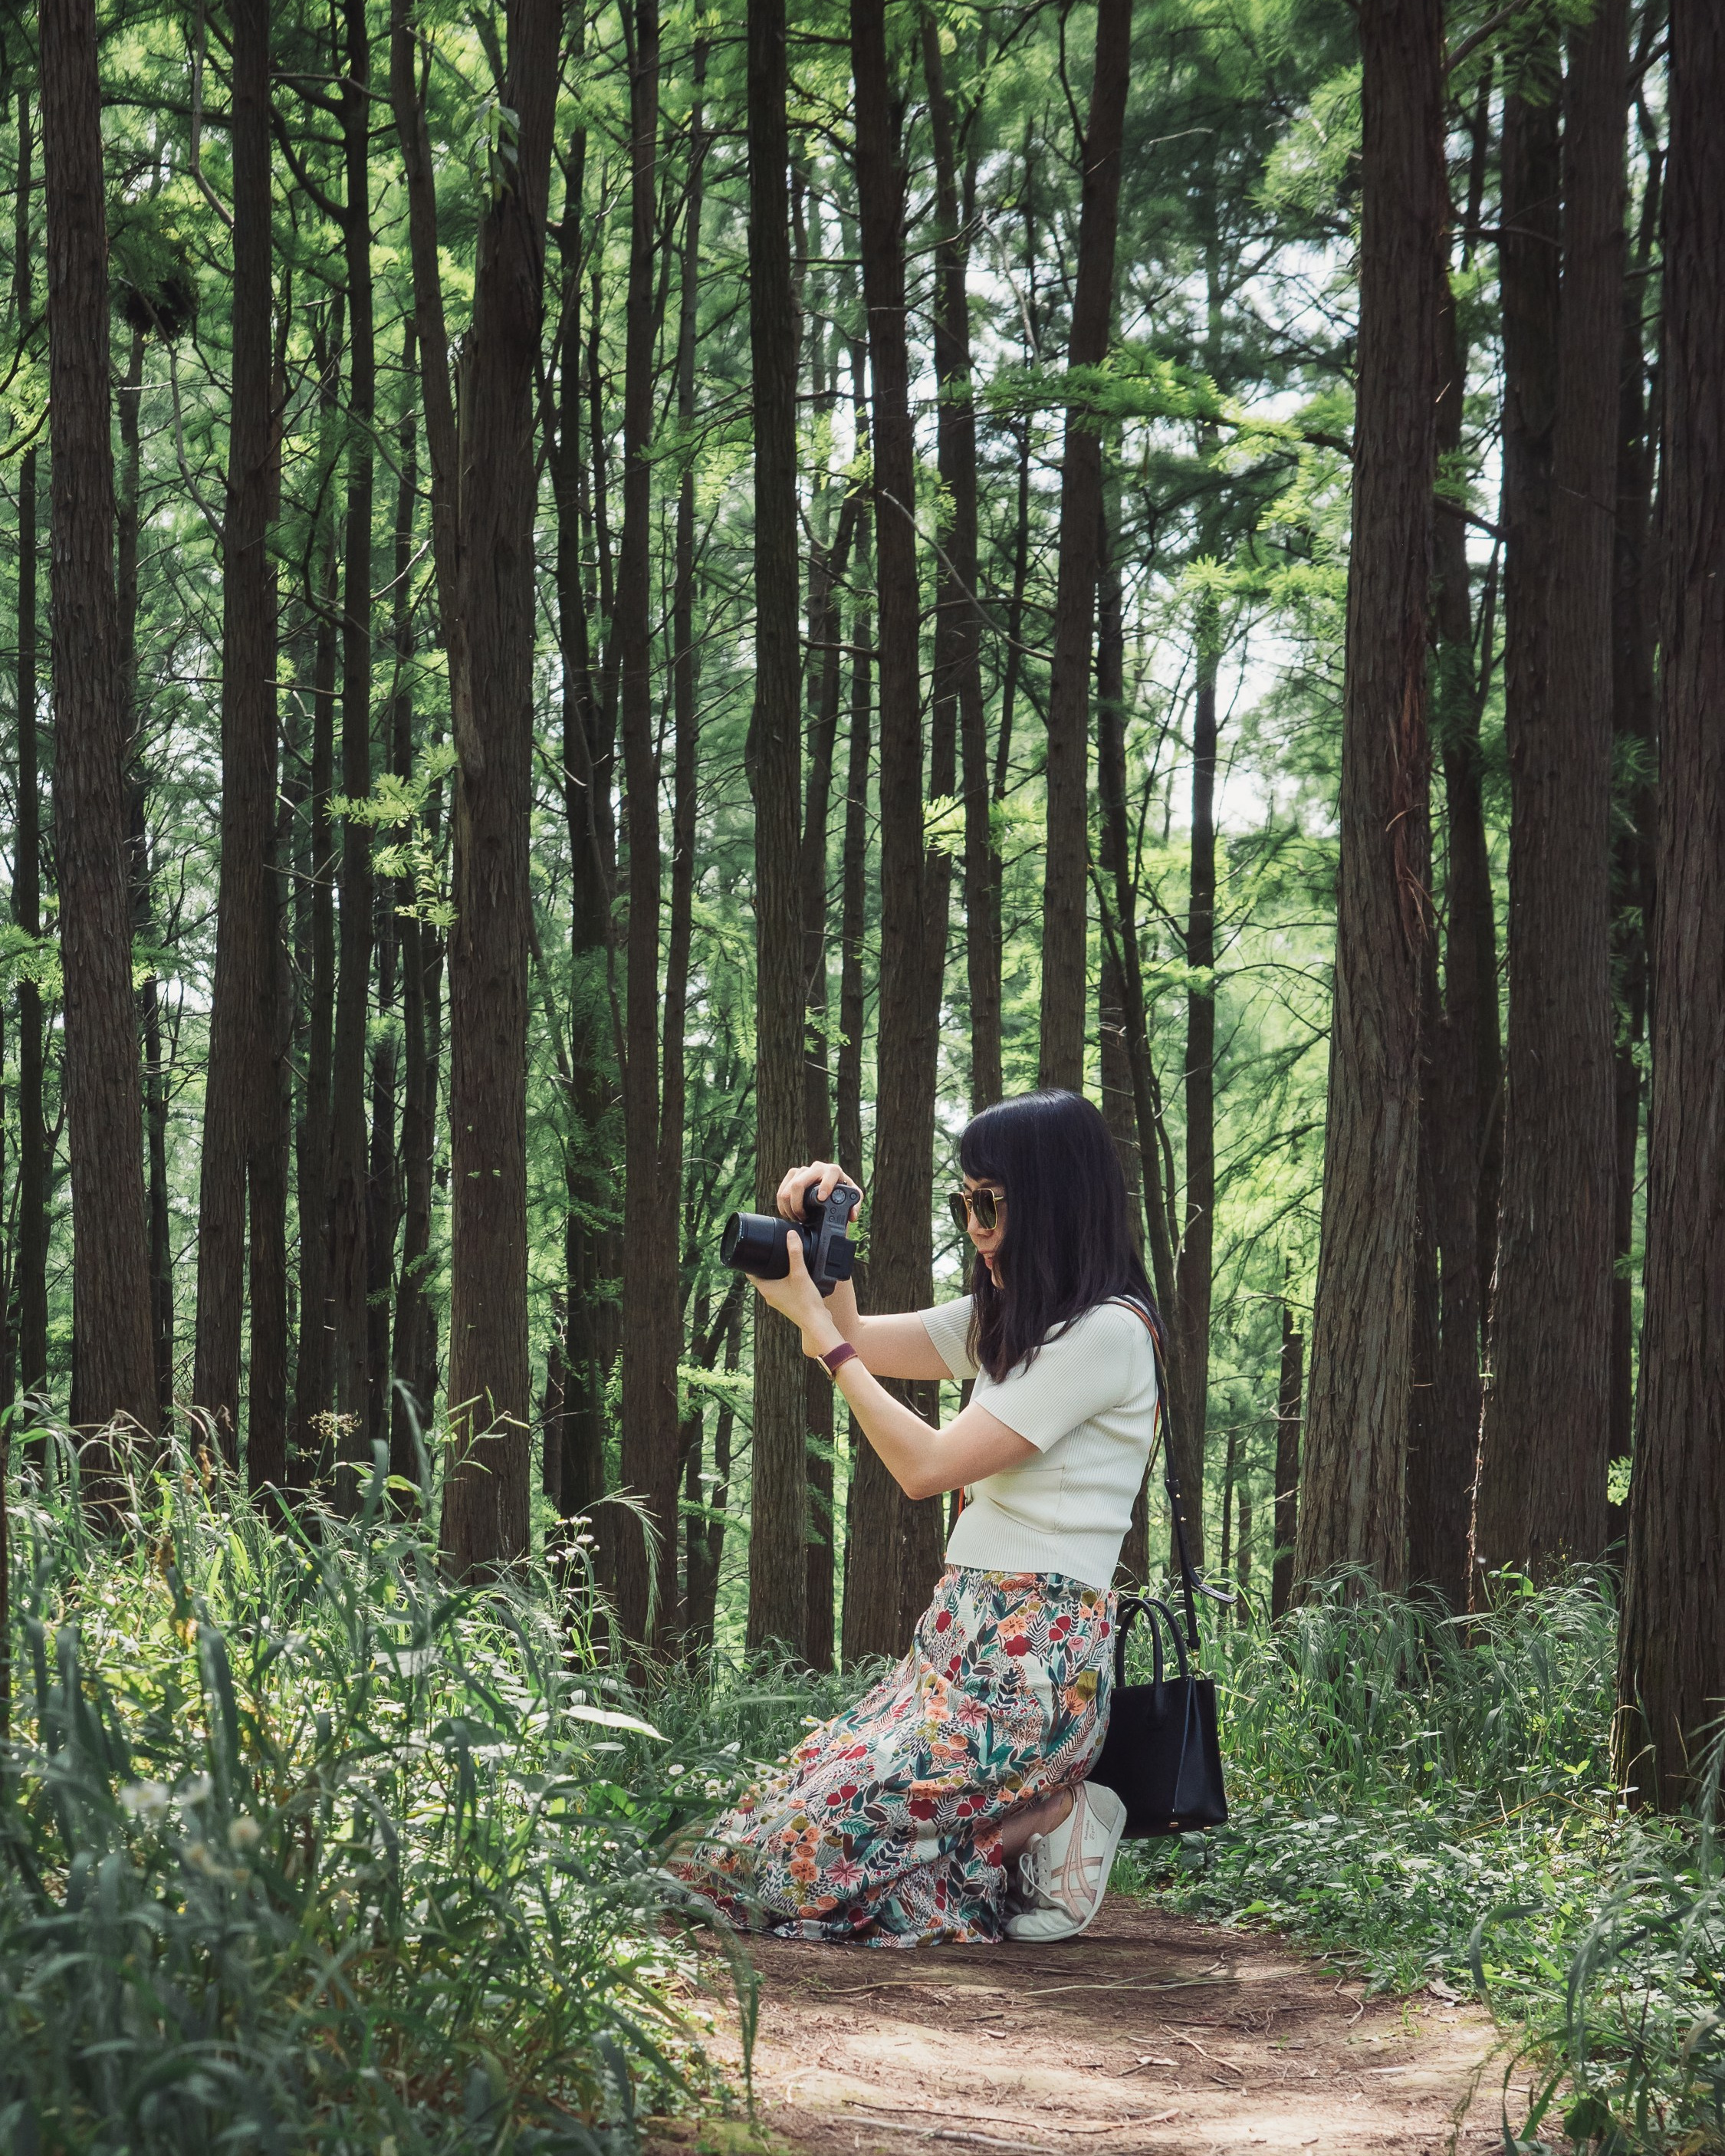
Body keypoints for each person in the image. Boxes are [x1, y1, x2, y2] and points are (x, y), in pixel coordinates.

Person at [672, 1087, 1162, 1948]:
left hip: (1031, 1671)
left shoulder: (1107, 1334)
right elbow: (862, 1333)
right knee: (739, 1842)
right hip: (952, 1645)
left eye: (989, 1204)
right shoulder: (1014, 1320)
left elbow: (924, 1467)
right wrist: (830, 1242)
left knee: (798, 1862)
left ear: (1052, 1202)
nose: (974, 1227)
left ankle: (1049, 1815)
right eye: (963, 1203)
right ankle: (1007, 1838)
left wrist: (824, 1338)